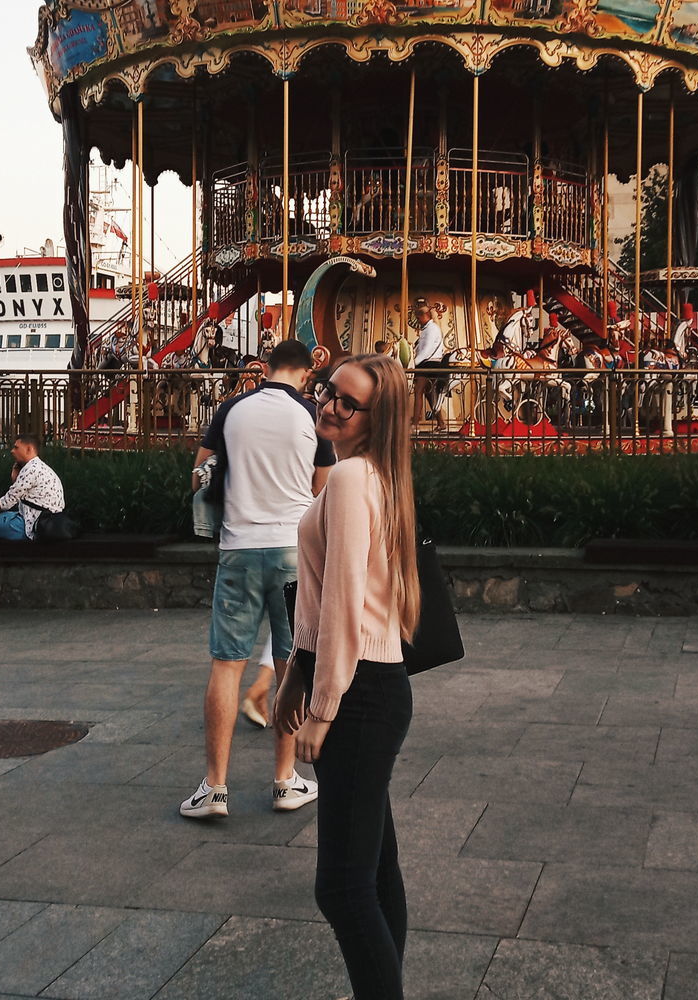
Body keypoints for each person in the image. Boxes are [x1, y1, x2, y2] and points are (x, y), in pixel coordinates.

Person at [274, 353, 420, 1000]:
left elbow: (343, 598)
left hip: (360, 694)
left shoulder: (355, 478)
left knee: (341, 886)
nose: (330, 405)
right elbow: (329, 597)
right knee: (375, 871)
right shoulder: (372, 475)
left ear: (375, 418)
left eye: (348, 402)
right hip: (368, 686)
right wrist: (294, 678)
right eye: (329, 391)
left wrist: (324, 703)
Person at [181, 338, 334, 819]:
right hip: (293, 551)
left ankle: (215, 787)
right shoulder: (312, 414)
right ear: (306, 374)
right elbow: (321, 489)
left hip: (240, 549)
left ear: (266, 367)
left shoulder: (230, 409)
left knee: (228, 664)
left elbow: (197, 477)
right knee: (289, 663)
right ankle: (285, 780)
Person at [411, 303, 445, 429]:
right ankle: (441, 423)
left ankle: (415, 424)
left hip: (428, 362)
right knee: (430, 394)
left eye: (418, 318)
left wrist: (414, 364)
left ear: (425, 315)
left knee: (418, 391)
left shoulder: (432, 329)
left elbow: (427, 349)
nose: (418, 321)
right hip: (427, 362)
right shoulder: (427, 329)